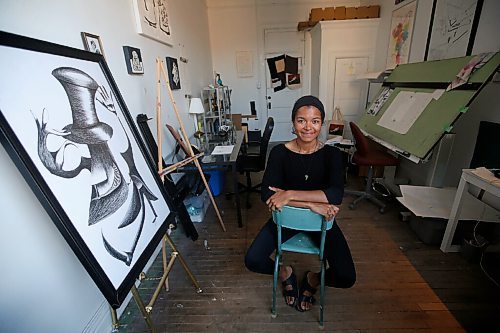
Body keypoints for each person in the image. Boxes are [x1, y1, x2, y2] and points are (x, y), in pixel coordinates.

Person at [244, 95, 356, 312]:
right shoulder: (279, 152)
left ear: (321, 124)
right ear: (293, 123)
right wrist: (314, 204)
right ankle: (286, 273)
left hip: (321, 222)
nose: (308, 127)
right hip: (284, 221)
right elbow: (266, 193)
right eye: (301, 120)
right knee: (253, 260)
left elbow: (335, 195)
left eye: (314, 121)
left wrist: (289, 195)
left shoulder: (332, 154)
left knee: (346, 276)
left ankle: (313, 279)